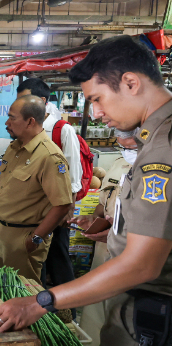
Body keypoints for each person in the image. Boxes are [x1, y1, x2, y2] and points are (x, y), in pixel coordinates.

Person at [0, 36, 172, 346]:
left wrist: (40, 301)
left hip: (153, 306)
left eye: (97, 99)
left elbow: (143, 264)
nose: (96, 113)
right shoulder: (153, 139)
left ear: (130, 83)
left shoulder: (162, 148)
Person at [0, 95, 73, 284]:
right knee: (5, 288)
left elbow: (62, 205)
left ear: (30, 121)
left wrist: (35, 239)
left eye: (12, 117)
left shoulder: (49, 156)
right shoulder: (14, 148)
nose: (7, 123)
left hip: (24, 238)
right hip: (3, 233)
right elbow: (4, 188)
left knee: (23, 294)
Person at [17, 79, 81, 318]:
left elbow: (74, 172)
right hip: (33, 210)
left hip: (56, 208)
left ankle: (70, 313)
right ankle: (40, 312)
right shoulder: (24, 130)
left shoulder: (61, 129)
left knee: (59, 257)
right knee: (37, 262)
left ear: (42, 102)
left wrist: (68, 209)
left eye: (24, 100)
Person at [72, 129, 137, 345]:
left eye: (124, 131)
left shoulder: (159, 169)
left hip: (132, 257)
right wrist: (92, 218)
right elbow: (103, 203)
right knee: (95, 316)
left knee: (122, 324)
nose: (118, 137)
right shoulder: (119, 163)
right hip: (103, 253)